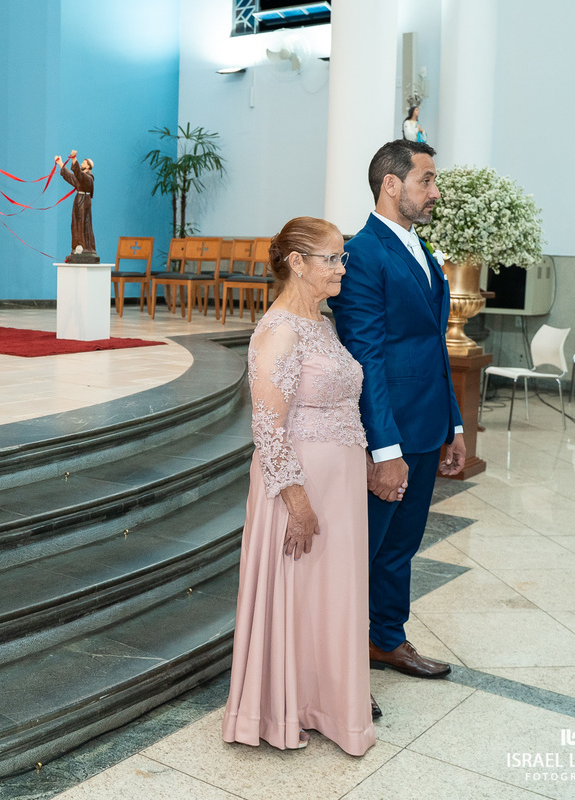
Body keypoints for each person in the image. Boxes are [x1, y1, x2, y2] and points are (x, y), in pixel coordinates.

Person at [222, 217, 376, 757]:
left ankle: (323, 703)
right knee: (299, 592)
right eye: (331, 258)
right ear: (297, 262)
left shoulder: (323, 322)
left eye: (342, 258)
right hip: (300, 482)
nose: (341, 267)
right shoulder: (279, 329)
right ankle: (282, 709)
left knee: (329, 596)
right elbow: (267, 424)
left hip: (340, 481)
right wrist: (296, 500)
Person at [326, 140, 465, 682]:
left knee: (400, 548)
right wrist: (384, 450)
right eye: (426, 180)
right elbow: (367, 358)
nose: (436, 191)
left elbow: (433, 344)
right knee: (363, 550)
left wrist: (452, 422)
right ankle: (337, 663)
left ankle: (385, 639)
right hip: (389, 435)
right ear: (391, 183)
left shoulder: (420, 250)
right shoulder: (362, 254)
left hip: (428, 424)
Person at [54, 151, 97, 262]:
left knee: (83, 224)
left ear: (88, 166)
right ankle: (77, 246)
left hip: (84, 203)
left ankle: (84, 247)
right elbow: (70, 177)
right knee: (76, 224)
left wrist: (74, 159)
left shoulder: (89, 178)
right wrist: (60, 163)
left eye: (83, 163)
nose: (82, 164)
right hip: (78, 202)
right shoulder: (82, 177)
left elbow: (78, 175)